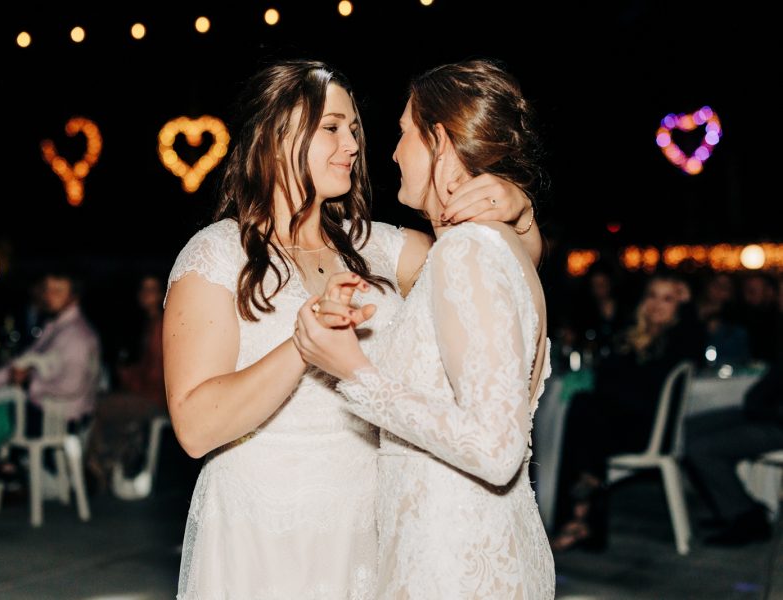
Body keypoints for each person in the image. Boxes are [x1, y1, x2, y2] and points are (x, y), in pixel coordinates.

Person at [163, 59, 539, 598]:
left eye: (356, 129)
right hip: (265, 530)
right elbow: (196, 427)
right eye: (332, 128)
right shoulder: (218, 255)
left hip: (370, 523)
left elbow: (496, 271)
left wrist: (518, 211)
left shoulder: (376, 247)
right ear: (276, 135)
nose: (354, 144)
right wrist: (303, 344)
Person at [293, 59, 554, 598]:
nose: (390, 152)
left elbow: (496, 448)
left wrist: (356, 373)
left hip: (453, 563)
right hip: (467, 548)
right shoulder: (490, 245)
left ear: (439, 139)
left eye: (403, 133)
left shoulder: (466, 252)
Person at [551, 274, 704, 551]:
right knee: (584, 408)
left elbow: (695, 338)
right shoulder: (630, 337)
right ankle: (582, 510)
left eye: (668, 299)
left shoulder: (680, 339)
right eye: (653, 296)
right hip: (612, 425)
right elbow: (604, 377)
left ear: (678, 306)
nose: (658, 304)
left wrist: (689, 303)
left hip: (646, 431)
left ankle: (579, 516)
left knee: (586, 413)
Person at [0, 271, 101, 441]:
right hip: (48, 411)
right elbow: (23, 361)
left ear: (74, 297)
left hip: (62, 419)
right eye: (46, 289)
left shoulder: (76, 335)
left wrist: (28, 383)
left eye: (57, 291)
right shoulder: (57, 326)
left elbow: (71, 385)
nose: (48, 296)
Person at [685, 360, 783, 545]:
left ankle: (746, 515)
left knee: (703, 449)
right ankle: (726, 507)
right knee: (685, 430)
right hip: (761, 412)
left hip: (777, 423)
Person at [86, 274, 166, 491]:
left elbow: (157, 375)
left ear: (161, 294)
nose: (145, 294)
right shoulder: (149, 323)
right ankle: (107, 466)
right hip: (146, 393)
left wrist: (128, 376)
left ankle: (98, 466)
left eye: (152, 289)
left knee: (96, 406)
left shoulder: (160, 325)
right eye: (143, 289)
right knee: (104, 407)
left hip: (157, 399)